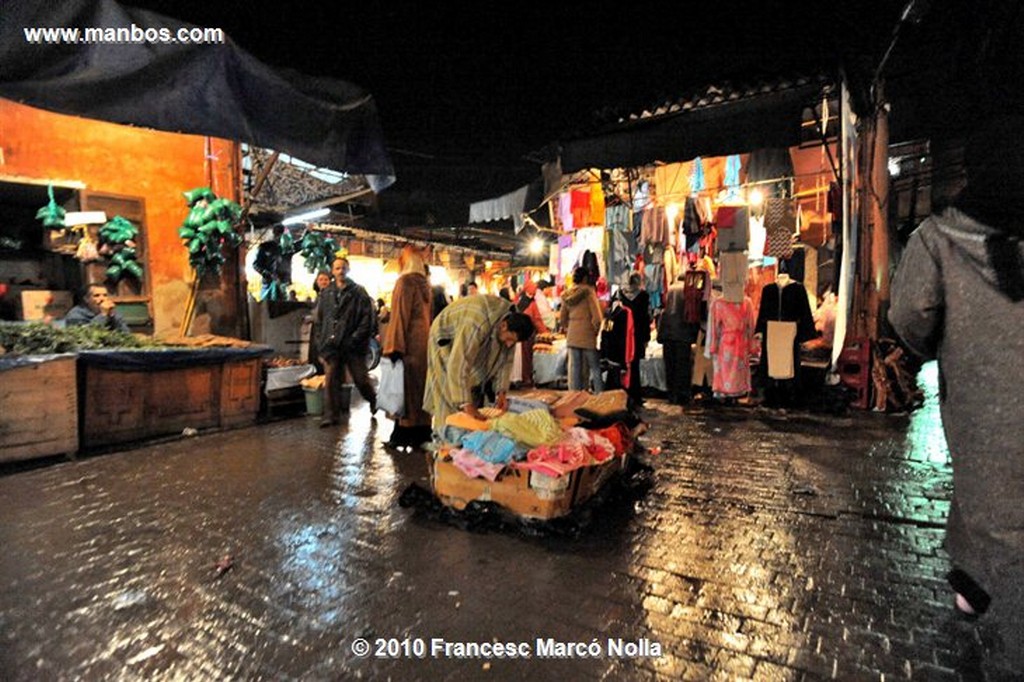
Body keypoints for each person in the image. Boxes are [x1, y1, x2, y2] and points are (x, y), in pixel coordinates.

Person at [889, 115, 1024, 673]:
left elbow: (909, 315)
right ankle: (972, 585)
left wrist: (943, 343)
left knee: (999, 515)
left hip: (982, 399)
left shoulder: (940, 237)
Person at [423, 294, 534, 438]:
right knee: (449, 398)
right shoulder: (477, 321)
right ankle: (445, 447)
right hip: (444, 341)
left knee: (472, 393)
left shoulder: (512, 322)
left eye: (513, 342)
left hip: (470, 337)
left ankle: (467, 440)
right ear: (503, 325)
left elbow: (505, 361)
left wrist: (501, 392)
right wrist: (466, 404)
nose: (509, 344)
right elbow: (459, 363)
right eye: (509, 339)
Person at [381, 246, 433, 448]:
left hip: (408, 343)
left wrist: (394, 346)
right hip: (423, 344)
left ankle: (403, 434)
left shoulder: (404, 282)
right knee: (419, 390)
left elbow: (400, 316)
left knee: (404, 391)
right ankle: (421, 433)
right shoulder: (425, 284)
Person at [316, 257, 377, 426]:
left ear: (348, 270)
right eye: (337, 268)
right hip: (332, 345)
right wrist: (321, 343)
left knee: (361, 379)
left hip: (353, 345)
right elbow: (320, 320)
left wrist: (356, 338)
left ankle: (373, 399)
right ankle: (331, 415)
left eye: (343, 267)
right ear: (333, 271)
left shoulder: (359, 292)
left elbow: (367, 318)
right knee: (331, 379)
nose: (340, 271)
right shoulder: (327, 293)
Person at [560, 266, 604, 393]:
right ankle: (599, 395)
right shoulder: (589, 292)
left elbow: (562, 318)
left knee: (575, 368)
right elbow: (597, 317)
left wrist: (568, 328)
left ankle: (574, 396)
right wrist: (595, 331)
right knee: (594, 367)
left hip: (572, 334)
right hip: (587, 333)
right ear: (585, 278)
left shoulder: (567, 295)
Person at [658, 273, 699, 404]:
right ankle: (683, 395)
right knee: (683, 366)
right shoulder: (686, 292)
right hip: (683, 335)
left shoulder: (667, 308)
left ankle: (672, 394)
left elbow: (662, 323)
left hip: (669, 335)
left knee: (670, 366)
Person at [618, 271, 651, 405]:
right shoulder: (643, 296)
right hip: (637, 335)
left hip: (621, 335)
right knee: (635, 364)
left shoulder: (621, 295)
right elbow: (645, 318)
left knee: (623, 364)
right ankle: (635, 395)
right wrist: (646, 337)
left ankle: (623, 394)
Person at [514, 279, 552, 389]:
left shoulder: (518, 300)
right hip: (527, 335)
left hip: (516, 334)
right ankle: (526, 379)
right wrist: (545, 333)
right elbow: (537, 320)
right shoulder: (532, 303)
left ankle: (519, 379)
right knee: (526, 358)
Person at [65, 283, 131, 333]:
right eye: (96, 296)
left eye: (105, 295)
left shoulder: (112, 312)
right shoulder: (75, 315)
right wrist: (103, 315)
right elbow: (87, 335)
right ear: (86, 299)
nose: (102, 299)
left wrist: (112, 316)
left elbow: (125, 333)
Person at [307, 270, 331, 371]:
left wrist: (310, 318)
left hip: (325, 333)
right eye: (321, 279)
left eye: (326, 279)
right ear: (317, 281)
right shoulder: (320, 295)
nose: (323, 282)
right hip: (317, 332)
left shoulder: (330, 295)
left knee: (323, 360)